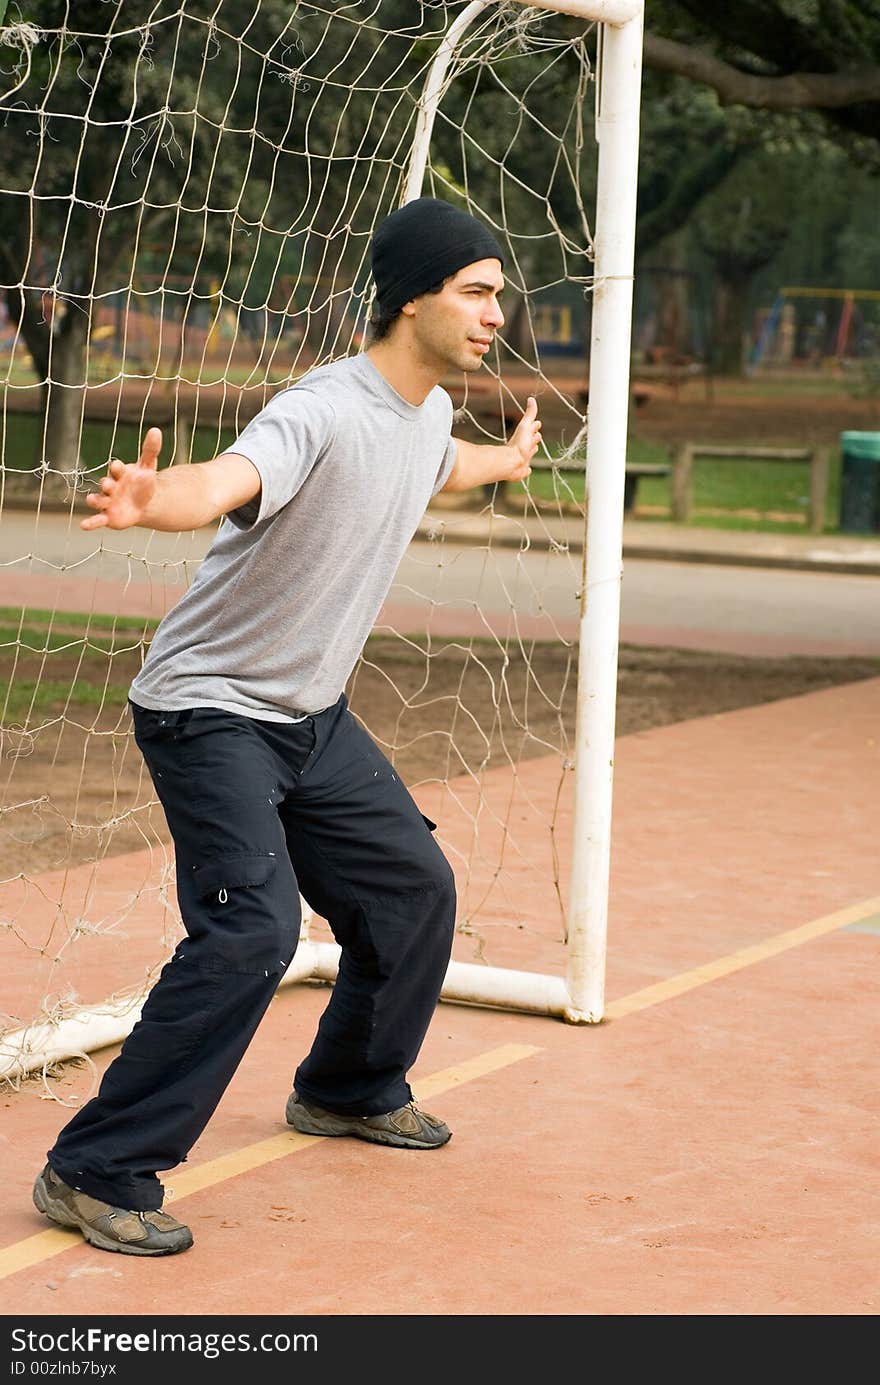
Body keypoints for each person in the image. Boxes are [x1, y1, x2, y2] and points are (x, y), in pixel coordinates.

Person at [32, 196, 542, 1256]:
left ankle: (350, 1085)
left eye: (499, 294)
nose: (498, 312)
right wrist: (155, 497)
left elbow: (436, 465)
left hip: (309, 717)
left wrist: (505, 461)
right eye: (479, 290)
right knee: (250, 932)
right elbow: (229, 480)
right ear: (413, 295)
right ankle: (94, 1166)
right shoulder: (321, 407)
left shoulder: (431, 413)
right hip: (208, 707)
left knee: (412, 889)